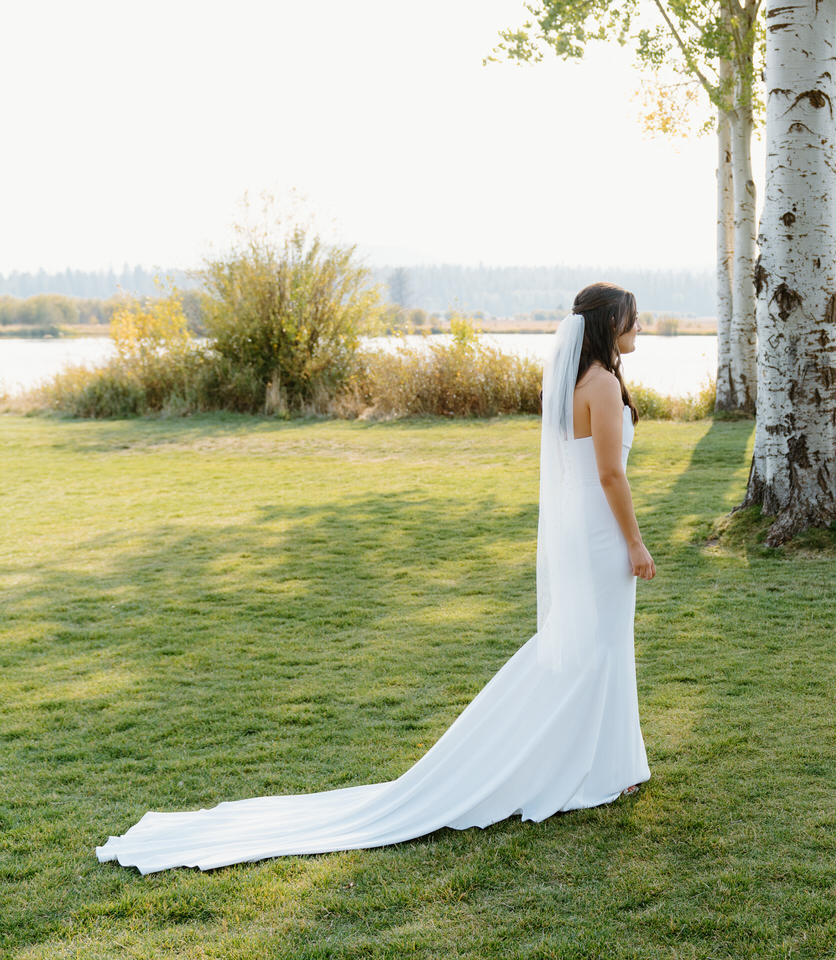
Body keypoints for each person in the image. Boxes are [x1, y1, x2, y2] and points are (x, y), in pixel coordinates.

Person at [97, 282, 656, 874]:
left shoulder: (576, 383)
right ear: (608, 322)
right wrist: (636, 542)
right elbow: (610, 477)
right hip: (598, 536)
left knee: (588, 650)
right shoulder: (598, 385)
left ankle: (603, 764)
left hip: (581, 533)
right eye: (633, 318)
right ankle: (593, 768)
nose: (639, 325)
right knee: (597, 649)